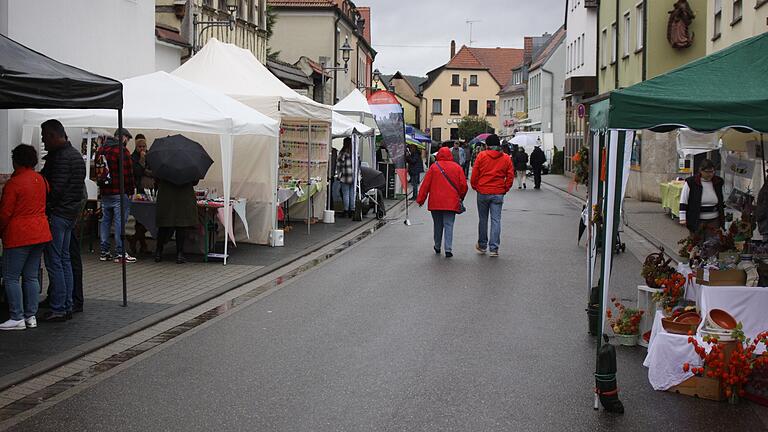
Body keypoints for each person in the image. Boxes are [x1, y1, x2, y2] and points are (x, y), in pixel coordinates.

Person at [0, 145, 52, 330]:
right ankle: (31, 316)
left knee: (11, 276)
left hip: (18, 234)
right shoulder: (41, 179)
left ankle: (16, 316)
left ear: (17, 161)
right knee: (31, 276)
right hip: (40, 232)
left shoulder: (14, 184)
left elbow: (5, 212)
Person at [40, 119, 85, 322]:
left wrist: (48, 208)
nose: (43, 141)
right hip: (70, 214)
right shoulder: (75, 155)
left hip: (58, 214)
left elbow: (55, 190)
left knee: (55, 261)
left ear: (52, 135)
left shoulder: (59, 158)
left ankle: (59, 306)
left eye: (44, 137)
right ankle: (66, 304)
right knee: (65, 260)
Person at [416, 147, 467, 258]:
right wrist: (460, 197)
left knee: (437, 225)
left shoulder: (434, 167)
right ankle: (448, 249)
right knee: (449, 225)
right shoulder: (457, 168)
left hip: (436, 202)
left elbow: (425, 185)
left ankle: (437, 246)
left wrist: (421, 199)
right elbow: (463, 185)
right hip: (451, 202)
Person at [96, 128, 136, 263]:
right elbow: (128, 174)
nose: (127, 142)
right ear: (123, 137)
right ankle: (120, 252)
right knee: (120, 223)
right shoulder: (122, 151)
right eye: (128, 139)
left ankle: (104, 251)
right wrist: (131, 191)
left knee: (105, 221)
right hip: (119, 192)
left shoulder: (101, 150)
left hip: (105, 192)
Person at [471, 134, 514, 257]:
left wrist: (475, 186)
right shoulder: (506, 158)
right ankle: (494, 248)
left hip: (483, 191)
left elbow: (475, 173)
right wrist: (505, 188)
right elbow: (510, 175)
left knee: (483, 219)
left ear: (487, 145)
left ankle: (482, 245)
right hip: (498, 192)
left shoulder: (481, 156)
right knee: (496, 220)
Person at [155, 179, 198, 264]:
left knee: (164, 225)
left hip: (166, 195)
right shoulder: (188, 166)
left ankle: (158, 253)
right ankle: (179, 254)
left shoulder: (164, 166)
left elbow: (157, 179)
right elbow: (194, 181)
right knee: (181, 225)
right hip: (183, 195)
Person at [679, 159, 724, 238]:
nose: (710, 174)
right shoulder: (691, 182)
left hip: (714, 220)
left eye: (712, 171)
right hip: (697, 220)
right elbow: (683, 200)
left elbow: (721, 199)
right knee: (697, 242)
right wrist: (682, 217)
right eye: (707, 172)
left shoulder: (718, 182)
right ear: (701, 171)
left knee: (712, 243)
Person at [130, 134, 152, 255]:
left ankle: (135, 240)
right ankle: (141, 244)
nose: (142, 149)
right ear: (136, 146)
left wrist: (146, 171)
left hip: (150, 191)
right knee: (140, 219)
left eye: (144, 146)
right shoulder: (133, 157)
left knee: (147, 219)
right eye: (140, 147)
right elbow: (137, 172)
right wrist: (142, 162)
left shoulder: (150, 155)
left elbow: (154, 170)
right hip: (139, 191)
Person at [336, 138, 356, 218]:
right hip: (353, 176)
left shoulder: (343, 153)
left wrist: (338, 175)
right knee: (352, 194)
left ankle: (346, 211)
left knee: (345, 194)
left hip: (345, 176)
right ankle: (352, 210)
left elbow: (339, 165)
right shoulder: (354, 152)